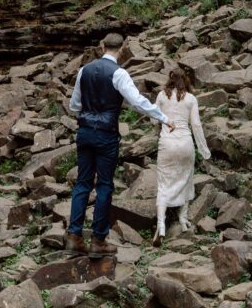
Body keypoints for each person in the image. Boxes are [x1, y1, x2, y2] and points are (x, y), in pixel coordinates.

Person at [65, 32, 174, 259]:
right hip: (106, 134)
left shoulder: (84, 70)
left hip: (85, 132)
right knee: (104, 185)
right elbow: (137, 102)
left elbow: (74, 105)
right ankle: (98, 240)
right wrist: (163, 117)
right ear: (122, 48)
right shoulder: (119, 73)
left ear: (102, 46)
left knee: (83, 183)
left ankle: (74, 236)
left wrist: (88, 112)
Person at [153, 67, 211, 246]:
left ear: (170, 79)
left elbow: (153, 119)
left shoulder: (161, 95)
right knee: (186, 178)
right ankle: (183, 219)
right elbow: (196, 125)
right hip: (186, 144)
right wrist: (204, 149)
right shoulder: (191, 98)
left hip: (167, 144)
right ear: (185, 79)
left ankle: (161, 225)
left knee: (164, 183)